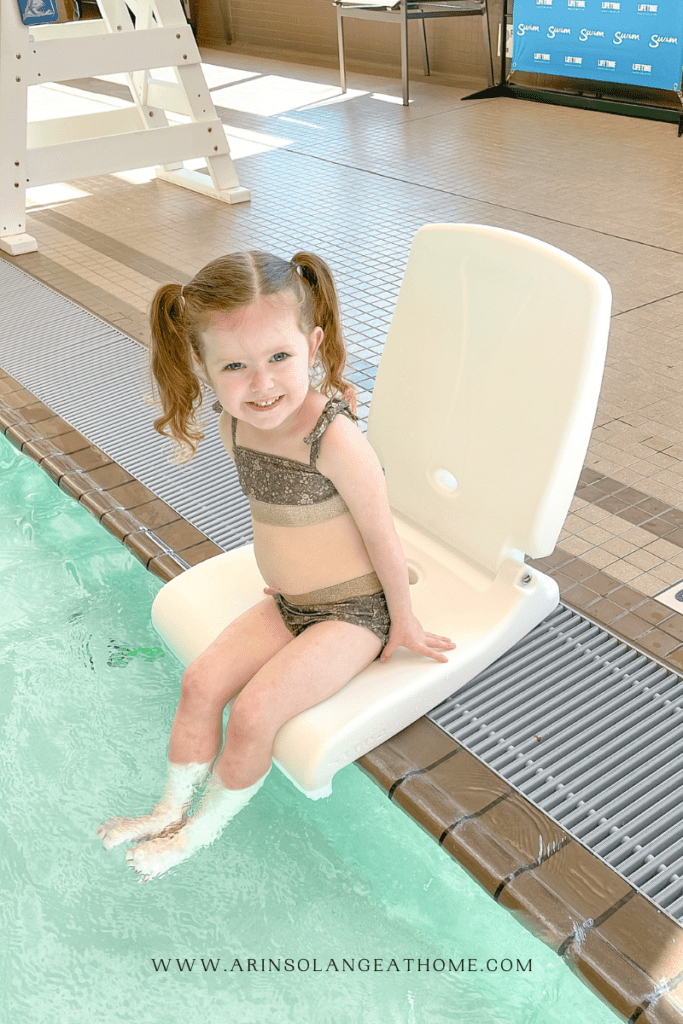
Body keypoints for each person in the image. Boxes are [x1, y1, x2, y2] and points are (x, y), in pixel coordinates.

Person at [96, 250, 456, 881]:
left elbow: (381, 532)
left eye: (279, 358)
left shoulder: (334, 437)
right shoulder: (239, 425)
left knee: (256, 712)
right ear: (202, 367)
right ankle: (168, 809)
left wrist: (404, 621)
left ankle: (201, 831)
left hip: (352, 613)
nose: (261, 385)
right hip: (288, 603)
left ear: (311, 346)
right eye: (235, 366)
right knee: (201, 683)